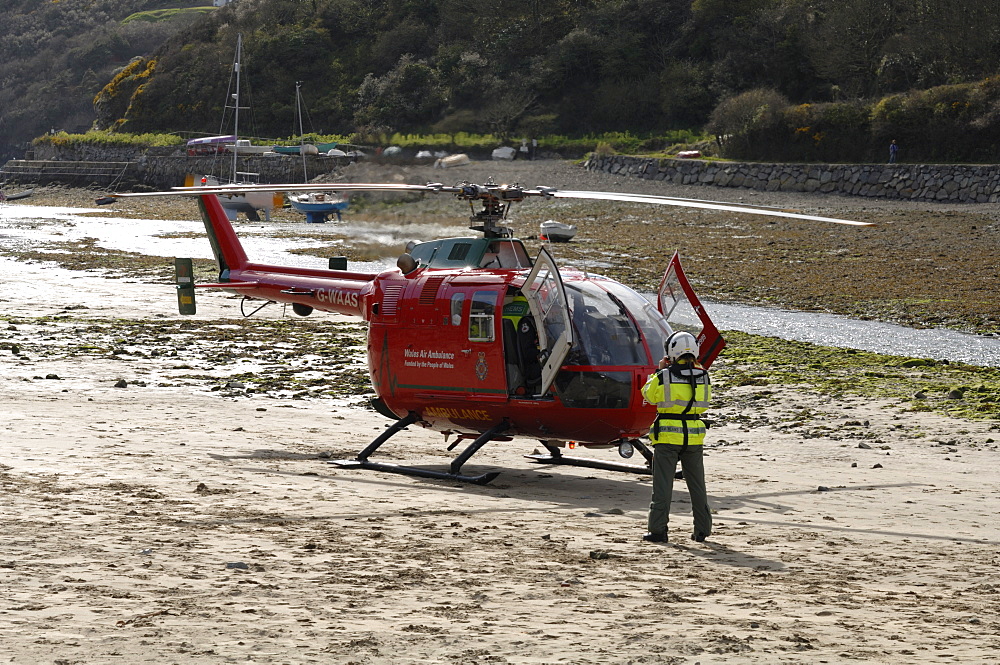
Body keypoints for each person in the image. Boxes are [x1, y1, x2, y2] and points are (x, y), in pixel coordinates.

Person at [640, 331, 712, 543]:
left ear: (672, 352)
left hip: (668, 438)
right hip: (694, 437)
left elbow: (648, 394)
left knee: (662, 487)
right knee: (697, 486)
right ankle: (702, 530)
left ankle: (658, 531)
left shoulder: (664, 376)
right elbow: (706, 402)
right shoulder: (704, 375)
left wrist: (659, 371)